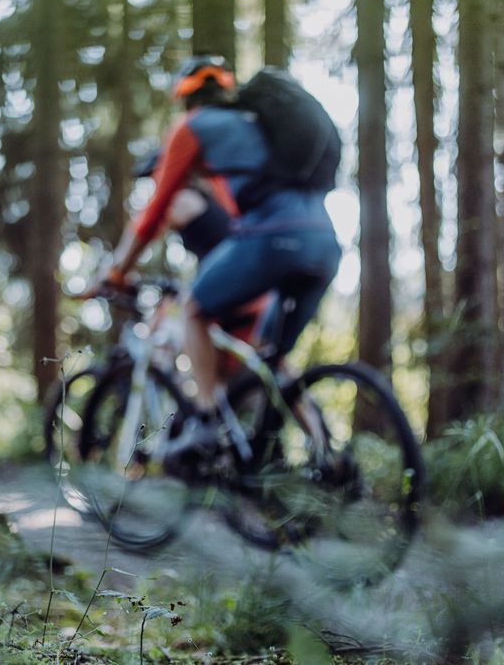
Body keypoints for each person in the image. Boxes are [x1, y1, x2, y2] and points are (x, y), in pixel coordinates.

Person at [81, 55, 342, 462]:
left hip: (271, 242)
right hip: (325, 242)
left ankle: (204, 423)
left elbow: (152, 215)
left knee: (193, 310)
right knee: (272, 361)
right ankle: (328, 456)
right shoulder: (258, 130)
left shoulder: (192, 127)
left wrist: (116, 270)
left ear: (184, 98)